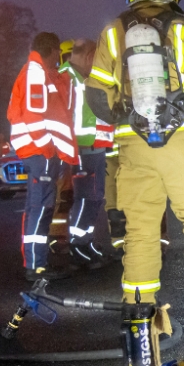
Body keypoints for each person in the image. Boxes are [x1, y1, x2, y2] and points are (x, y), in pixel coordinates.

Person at [85, 0, 184, 321]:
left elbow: (98, 97)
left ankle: (139, 314)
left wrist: (129, 119)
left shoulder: (113, 32)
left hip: (134, 149)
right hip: (181, 143)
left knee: (141, 231)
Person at [7, 32, 78, 281]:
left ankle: (35, 263)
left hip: (38, 151)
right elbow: (35, 115)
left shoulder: (35, 71)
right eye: (58, 51)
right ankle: (36, 267)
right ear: (51, 49)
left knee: (37, 207)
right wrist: (48, 148)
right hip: (41, 152)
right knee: (41, 208)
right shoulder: (36, 72)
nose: (59, 56)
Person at [60, 38, 114, 269]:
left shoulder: (82, 77)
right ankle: (77, 245)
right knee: (85, 198)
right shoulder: (66, 76)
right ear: (90, 55)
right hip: (81, 147)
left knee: (94, 197)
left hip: (94, 145)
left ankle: (86, 241)